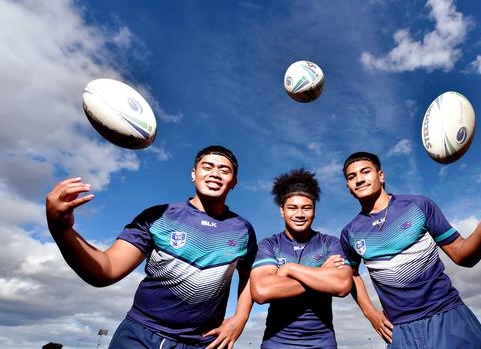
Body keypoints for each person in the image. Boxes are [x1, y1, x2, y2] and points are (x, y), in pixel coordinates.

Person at [45, 145, 257, 349]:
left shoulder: (242, 229)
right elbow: (105, 270)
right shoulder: (159, 216)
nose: (215, 173)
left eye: (224, 170)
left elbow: (249, 275)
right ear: (194, 174)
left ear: (233, 182)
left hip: (204, 342)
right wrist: (61, 228)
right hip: (142, 334)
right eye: (207, 166)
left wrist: (240, 319)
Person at [340, 152, 481, 348]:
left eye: (365, 172)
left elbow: (463, 256)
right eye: (352, 177)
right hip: (400, 330)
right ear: (348, 188)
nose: (359, 179)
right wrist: (370, 312)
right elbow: (352, 274)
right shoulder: (350, 232)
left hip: (447, 316)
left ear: (381, 176)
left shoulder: (418, 205)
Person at [250, 168, 353, 348]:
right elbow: (261, 291)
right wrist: (321, 275)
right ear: (282, 210)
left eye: (306, 208)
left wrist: (290, 269)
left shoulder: (329, 243)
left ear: (314, 210)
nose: (299, 214)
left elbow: (342, 286)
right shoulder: (269, 245)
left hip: (322, 342)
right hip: (276, 342)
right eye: (292, 208)